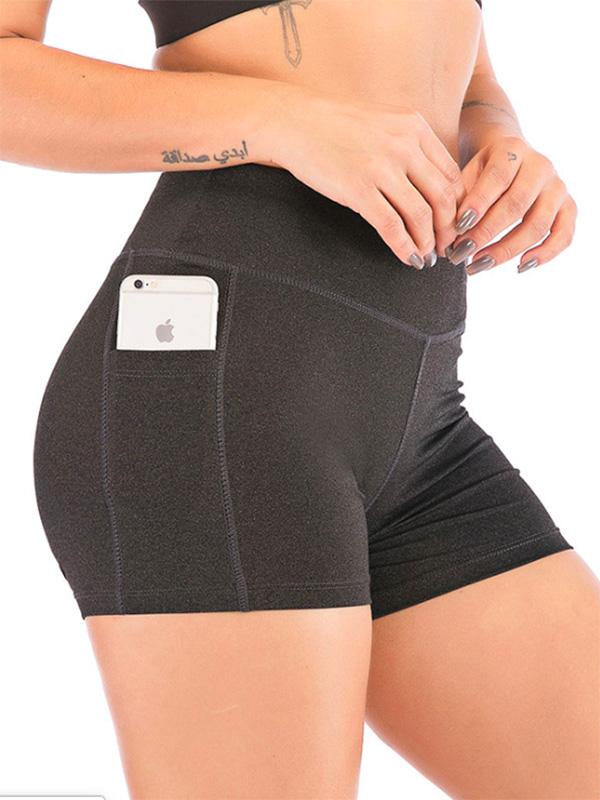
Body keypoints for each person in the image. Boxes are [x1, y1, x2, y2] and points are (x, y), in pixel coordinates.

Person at [1, 1, 598, 797]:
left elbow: (465, 72)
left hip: (420, 428)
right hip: (216, 409)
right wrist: (276, 120)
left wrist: (500, 142)